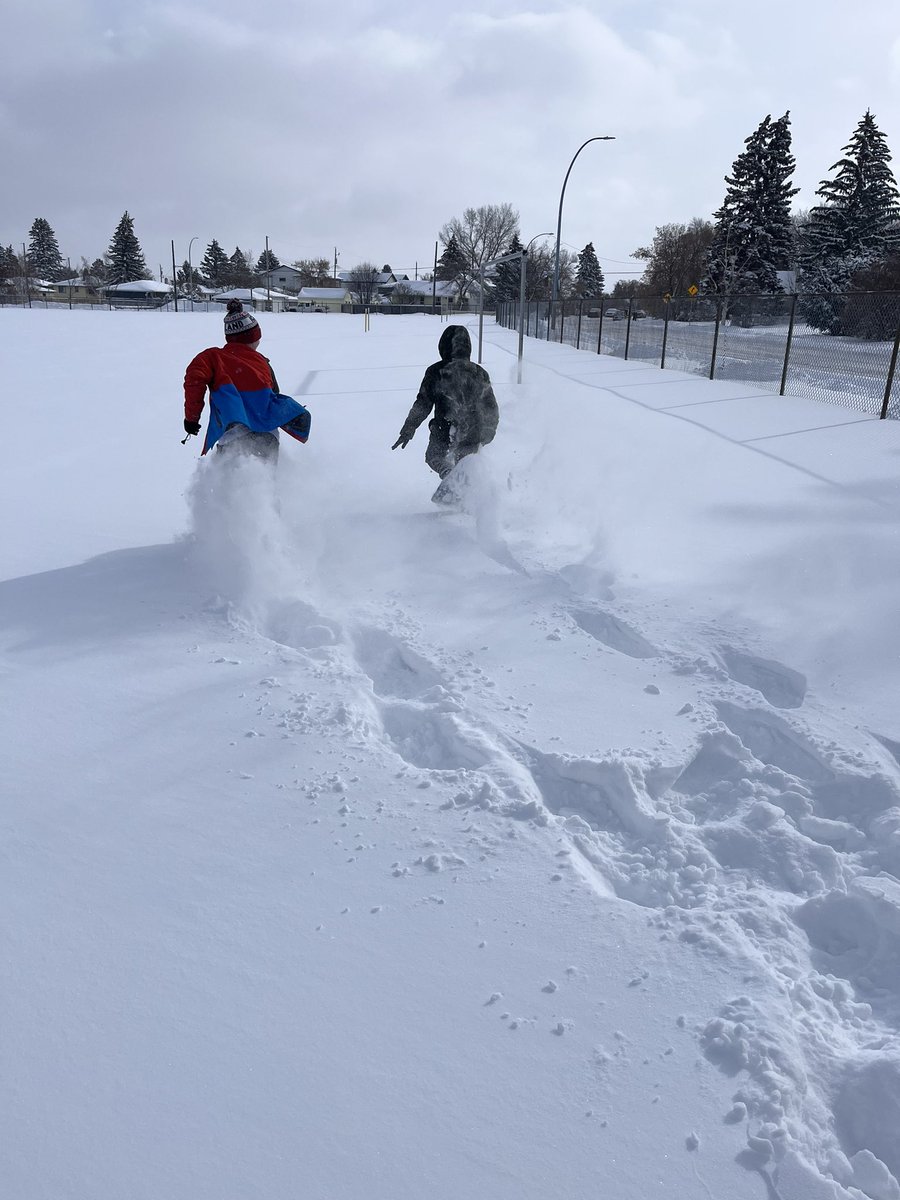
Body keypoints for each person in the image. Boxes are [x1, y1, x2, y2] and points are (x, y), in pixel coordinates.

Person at [183, 299, 310, 459]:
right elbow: (274, 396)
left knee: (229, 481)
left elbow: (194, 380)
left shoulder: (212, 358)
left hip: (232, 435)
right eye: (258, 337)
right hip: (267, 436)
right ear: (250, 338)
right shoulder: (262, 362)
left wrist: (191, 419)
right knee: (264, 481)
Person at [392, 324, 499, 500]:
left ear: (443, 346)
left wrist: (409, 428)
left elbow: (423, 403)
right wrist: (488, 432)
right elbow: (491, 406)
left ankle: (450, 476)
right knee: (465, 461)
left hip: (444, 427)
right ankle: (466, 494)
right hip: (474, 429)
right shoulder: (479, 372)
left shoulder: (436, 371)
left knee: (434, 456)